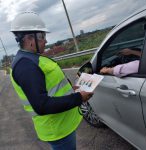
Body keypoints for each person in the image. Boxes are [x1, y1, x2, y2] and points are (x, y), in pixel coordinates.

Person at [10, 11, 93, 150]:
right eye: (42, 36)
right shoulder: (26, 65)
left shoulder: (31, 58)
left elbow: (50, 87)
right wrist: (78, 98)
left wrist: (70, 89)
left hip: (62, 124)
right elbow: (41, 105)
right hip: (57, 128)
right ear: (30, 39)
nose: (46, 41)